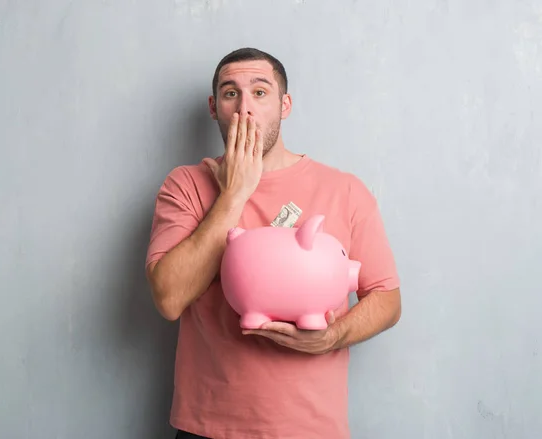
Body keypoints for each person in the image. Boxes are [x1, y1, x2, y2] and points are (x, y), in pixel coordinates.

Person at [145, 47, 402, 439]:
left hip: (311, 428)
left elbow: (387, 298)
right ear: (214, 107)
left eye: (260, 93)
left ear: (285, 104)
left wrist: (331, 337)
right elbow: (168, 299)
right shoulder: (186, 186)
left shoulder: (345, 190)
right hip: (208, 427)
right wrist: (233, 196)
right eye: (231, 93)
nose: (245, 107)